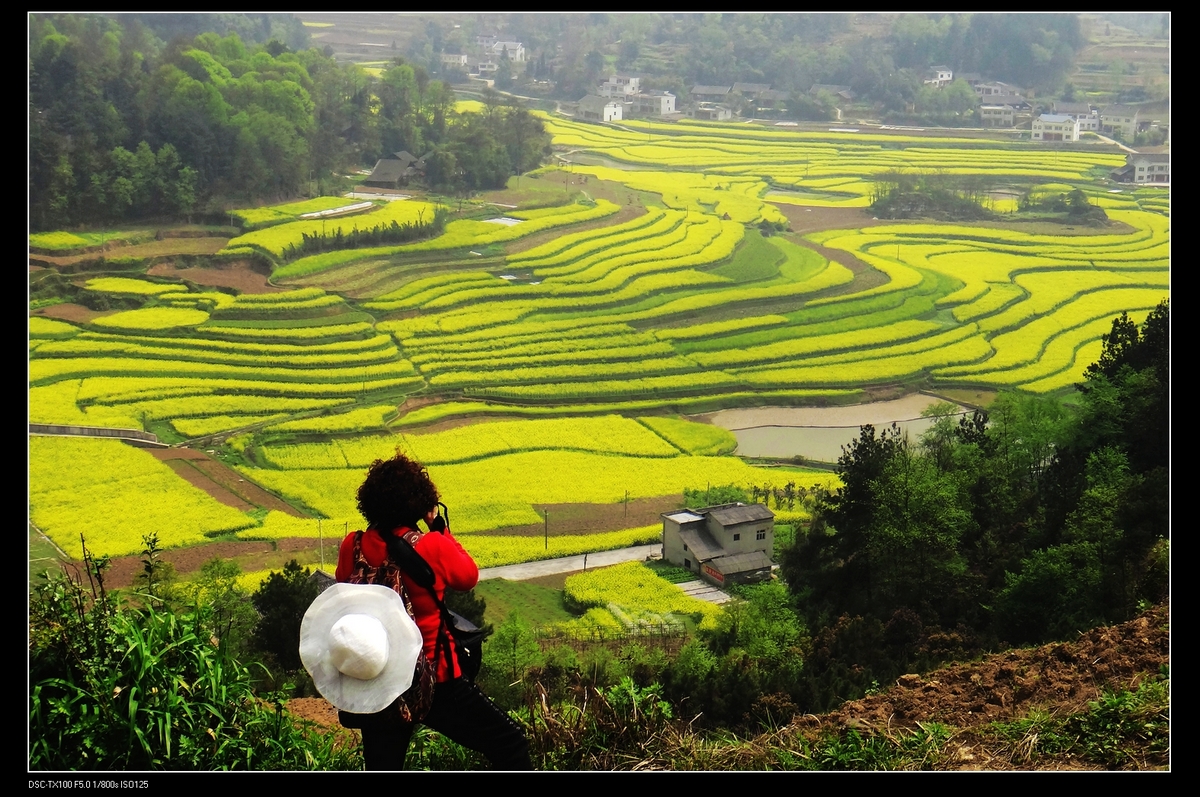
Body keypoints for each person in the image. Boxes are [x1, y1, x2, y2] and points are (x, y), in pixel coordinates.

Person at [335, 451, 532, 771]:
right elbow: (467, 577)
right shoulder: (430, 545)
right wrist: (439, 529)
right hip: (435, 676)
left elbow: (345, 593)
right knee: (510, 743)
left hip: (378, 679)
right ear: (420, 501)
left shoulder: (352, 545)